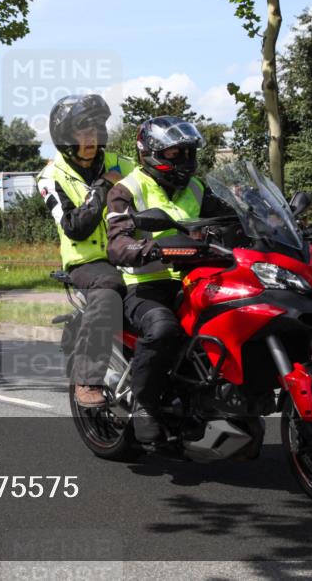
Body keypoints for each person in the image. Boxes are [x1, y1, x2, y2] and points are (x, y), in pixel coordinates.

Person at [106, 116, 230, 442]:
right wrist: (147, 248)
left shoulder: (197, 187)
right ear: (151, 153)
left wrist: (269, 223)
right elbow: (117, 242)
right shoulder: (126, 190)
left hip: (195, 278)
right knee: (163, 328)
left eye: (188, 153)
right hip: (146, 286)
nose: (185, 161)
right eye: (175, 154)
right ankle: (145, 404)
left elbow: (233, 219)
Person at [37, 95, 134, 408]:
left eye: (96, 128)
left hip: (132, 252)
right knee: (109, 288)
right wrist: (104, 188)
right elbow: (73, 226)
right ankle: (87, 379)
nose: (91, 136)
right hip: (89, 264)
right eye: (82, 130)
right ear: (66, 136)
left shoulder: (124, 164)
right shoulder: (51, 177)